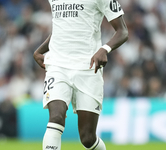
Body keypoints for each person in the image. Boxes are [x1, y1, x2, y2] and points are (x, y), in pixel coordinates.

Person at [34, 0, 128, 149]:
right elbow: (63, 28)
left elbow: (122, 31)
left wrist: (105, 49)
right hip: (57, 65)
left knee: (87, 138)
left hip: (89, 68)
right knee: (56, 118)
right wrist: (40, 50)